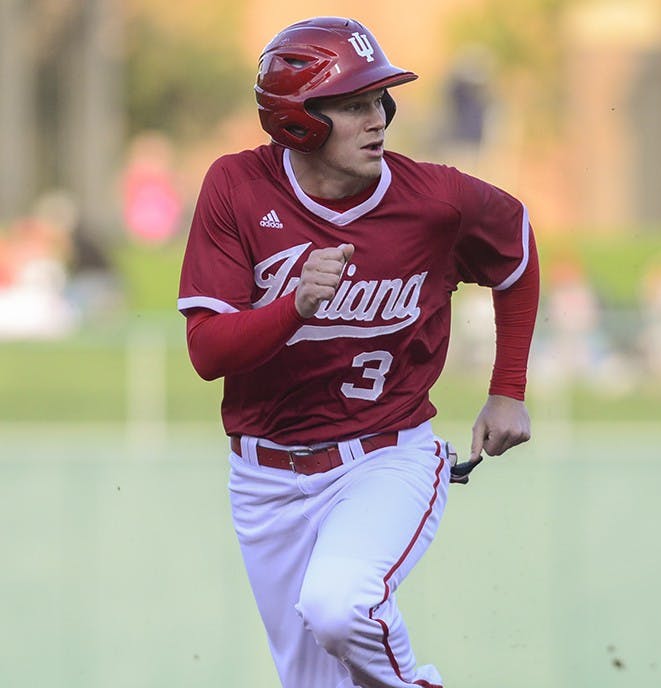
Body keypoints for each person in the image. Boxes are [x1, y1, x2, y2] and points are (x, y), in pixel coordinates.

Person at [176, 17, 539, 688]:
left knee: (340, 606)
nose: (376, 119)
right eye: (351, 104)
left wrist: (508, 387)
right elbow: (206, 350)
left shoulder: (434, 200)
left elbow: (515, 246)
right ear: (297, 122)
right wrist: (294, 306)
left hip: (385, 457)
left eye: (379, 100)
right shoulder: (237, 188)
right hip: (265, 480)